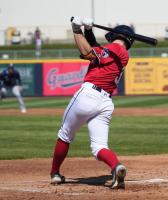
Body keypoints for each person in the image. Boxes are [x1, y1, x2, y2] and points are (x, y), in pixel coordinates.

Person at [50, 16, 134, 189]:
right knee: (99, 147)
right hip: (105, 103)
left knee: (64, 135)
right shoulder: (122, 54)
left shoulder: (113, 48)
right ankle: (116, 166)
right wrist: (88, 31)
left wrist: (76, 29)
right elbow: (96, 49)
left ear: (115, 36)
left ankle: (55, 173)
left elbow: (89, 52)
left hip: (88, 95)